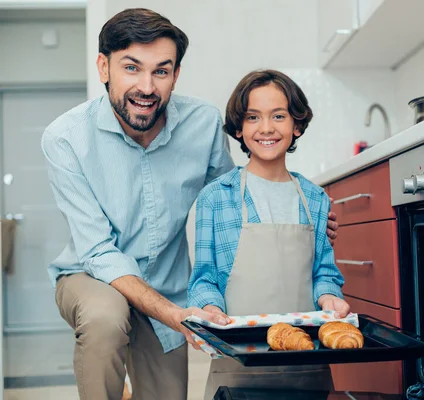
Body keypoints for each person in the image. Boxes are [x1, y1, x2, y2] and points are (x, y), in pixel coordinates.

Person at [41, 8, 340, 400]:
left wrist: (300, 218)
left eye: (161, 71)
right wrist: (172, 314)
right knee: (105, 316)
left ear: (175, 75)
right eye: (132, 68)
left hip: (166, 282)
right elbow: (97, 250)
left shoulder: (202, 123)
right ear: (104, 67)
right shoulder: (64, 138)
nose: (146, 86)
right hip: (91, 275)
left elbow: (231, 196)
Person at [187, 69, 350, 400]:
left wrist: (330, 297)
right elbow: (204, 280)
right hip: (236, 366)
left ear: (297, 125)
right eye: (252, 117)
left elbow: (324, 272)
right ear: (238, 128)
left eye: (278, 116)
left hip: (307, 367)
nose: (266, 128)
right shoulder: (216, 197)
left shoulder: (315, 198)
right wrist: (209, 310)